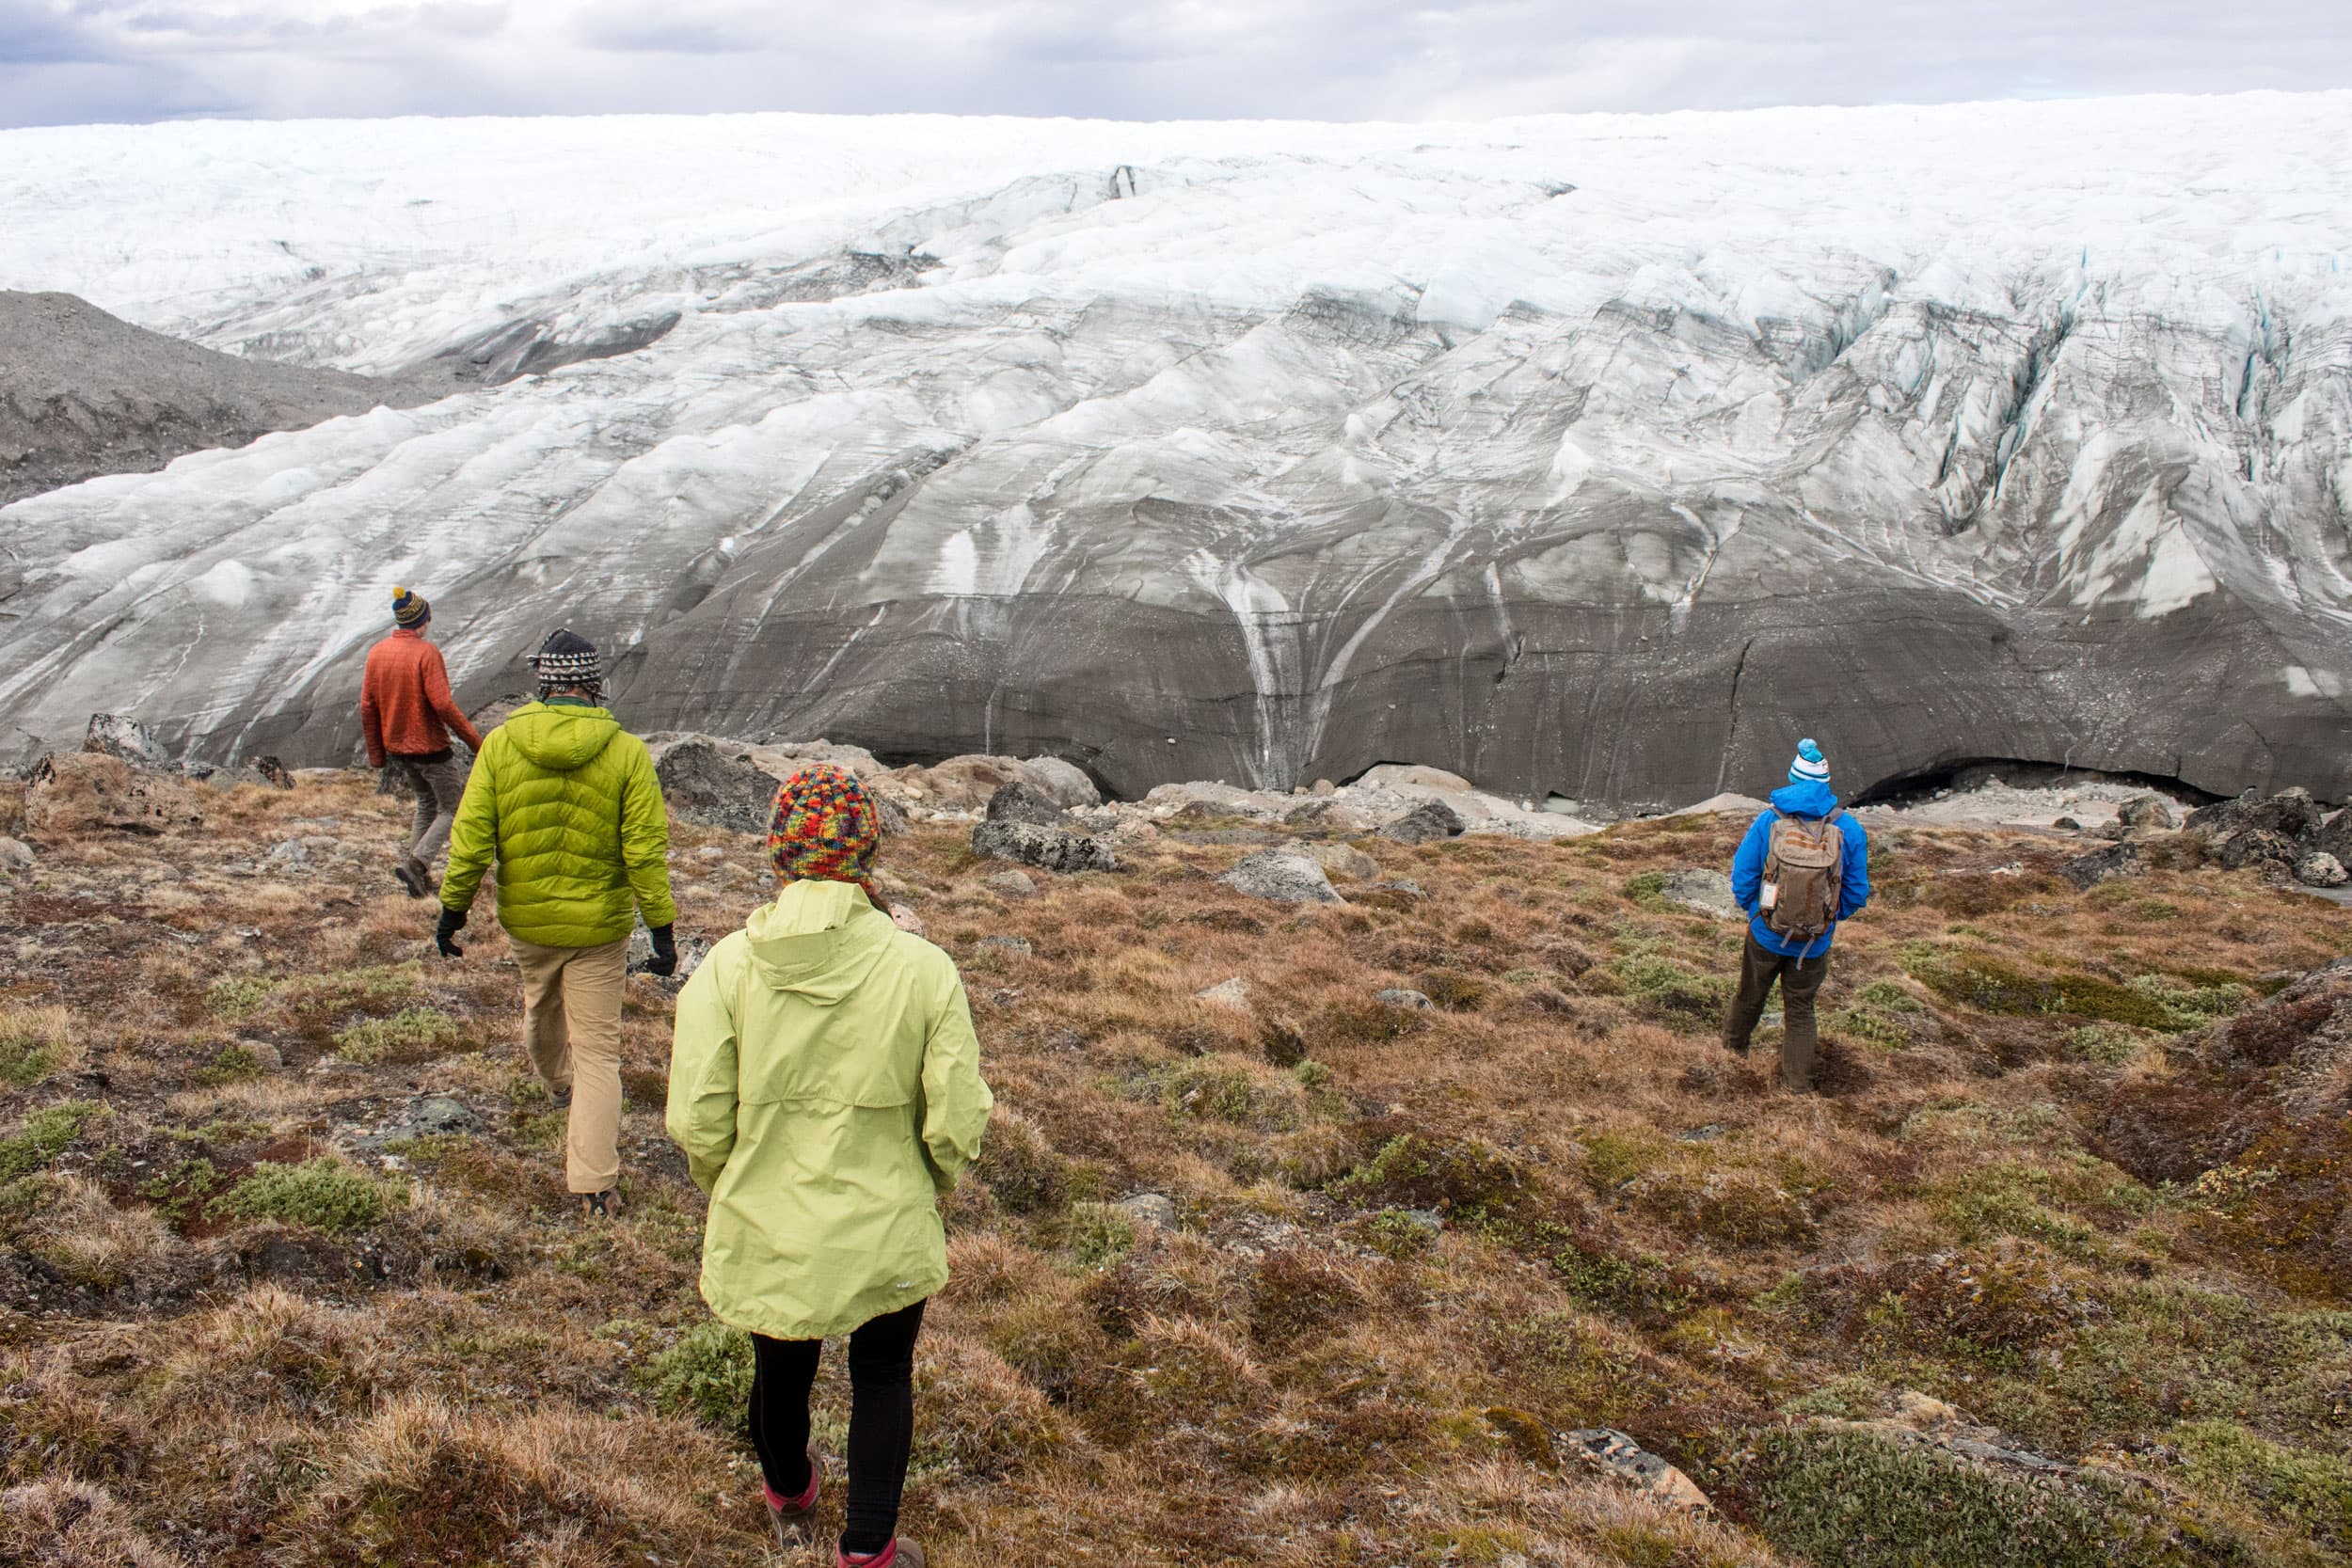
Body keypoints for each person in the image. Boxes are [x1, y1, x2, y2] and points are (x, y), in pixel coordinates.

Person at [667, 765, 992, 1568]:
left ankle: (790, 1493)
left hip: (767, 1217)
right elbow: (957, 1117)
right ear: (867, 852)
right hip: (884, 1218)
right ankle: (870, 1551)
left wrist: (735, 1185)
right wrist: (927, 1181)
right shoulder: (924, 969)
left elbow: (695, 1116)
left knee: (780, 1368)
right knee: (882, 1373)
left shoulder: (726, 968)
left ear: (778, 853)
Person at [437, 629, 678, 1217]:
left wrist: (453, 912)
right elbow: (644, 851)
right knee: (600, 1051)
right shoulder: (625, 753)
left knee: (539, 1005)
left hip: (530, 918)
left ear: (544, 681)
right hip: (599, 926)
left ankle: (556, 1084)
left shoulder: (499, 746)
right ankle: (595, 1182)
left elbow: (471, 840)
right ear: (593, 684)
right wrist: (662, 933)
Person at [1723, 738, 1871, 1093]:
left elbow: (1742, 876)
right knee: (1801, 1011)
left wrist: (1758, 914)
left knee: (1748, 996)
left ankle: (1730, 1060)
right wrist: (1828, 920)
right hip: (1814, 943)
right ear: (1826, 783)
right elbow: (1856, 891)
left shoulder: (1768, 821)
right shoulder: (1848, 829)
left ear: (1792, 778)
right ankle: (1797, 1087)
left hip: (1766, 933)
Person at [359, 587, 485, 898]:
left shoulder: (377, 652)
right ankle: (418, 863)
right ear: (422, 620)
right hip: (430, 747)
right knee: (453, 807)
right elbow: (442, 704)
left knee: (427, 803)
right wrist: (474, 741)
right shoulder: (426, 654)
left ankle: (415, 876)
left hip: (398, 747)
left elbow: (367, 705)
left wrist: (378, 754)